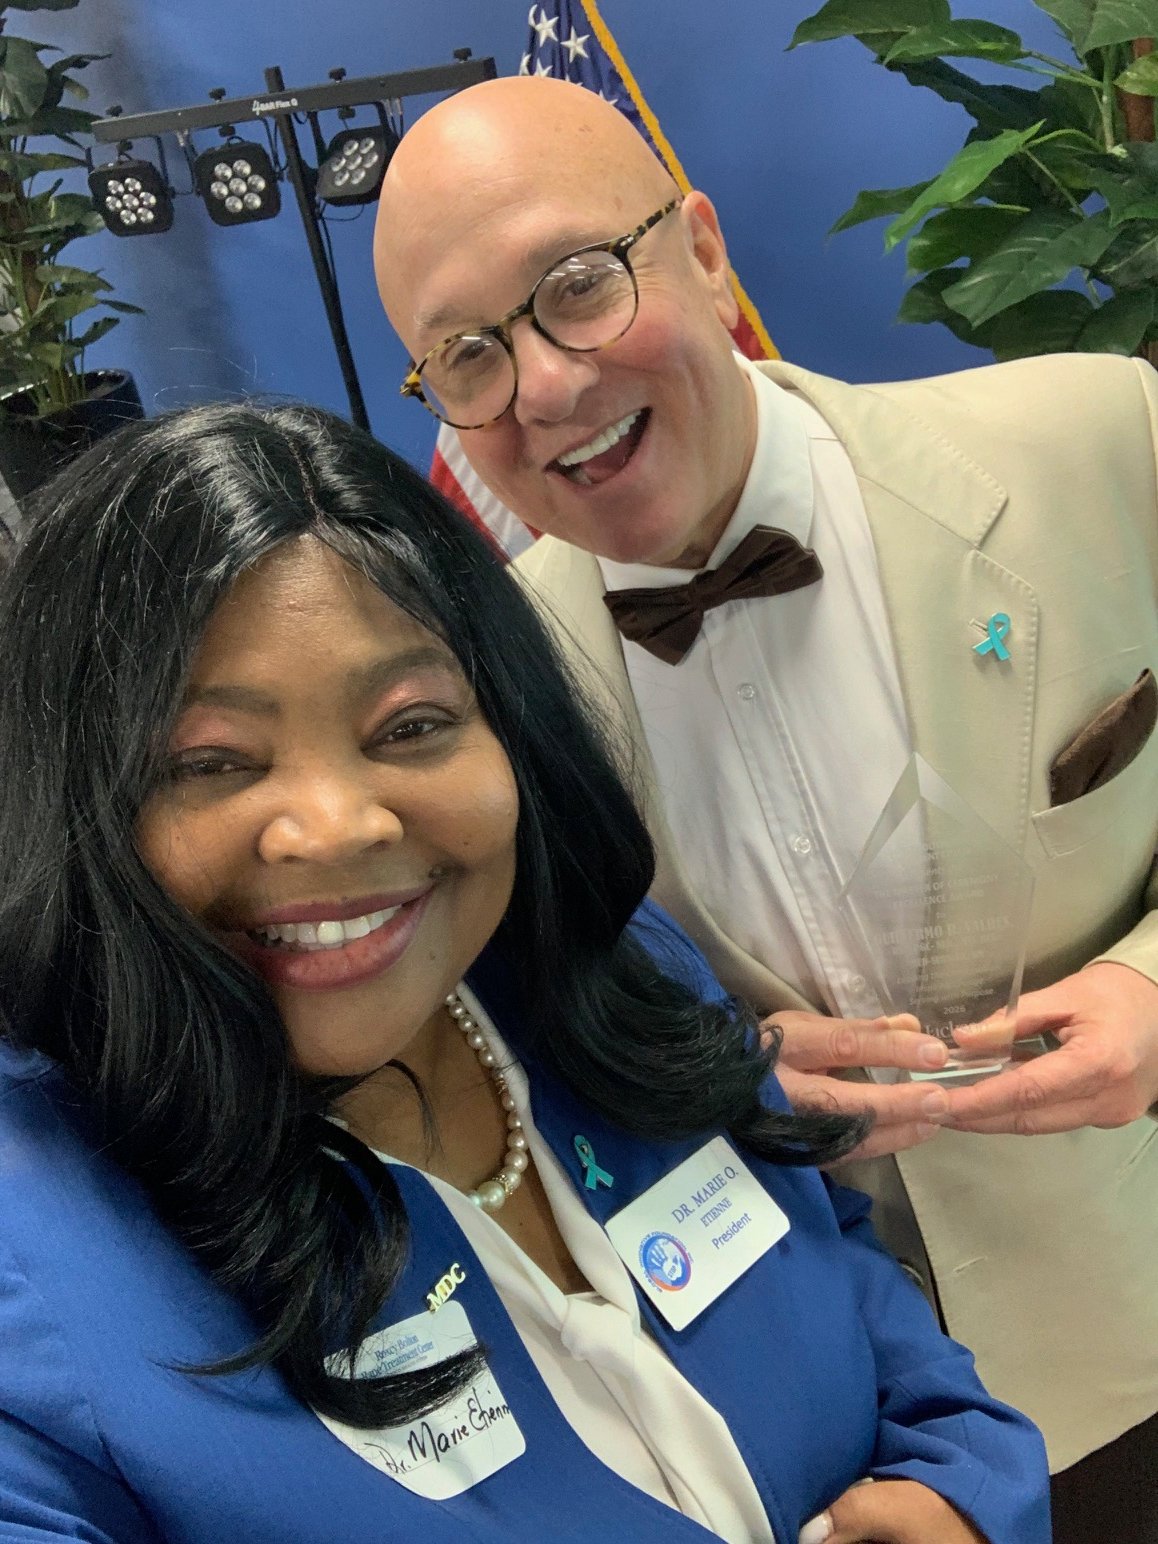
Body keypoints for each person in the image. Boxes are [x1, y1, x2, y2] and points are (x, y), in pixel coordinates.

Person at [0, 403, 1048, 1543]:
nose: (338, 824)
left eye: (409, 726)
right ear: (71, 804)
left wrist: (963, 1492)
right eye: (208, 760)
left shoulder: (606, 967)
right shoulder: (39, 1283)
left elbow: (835, 1258)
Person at [371, 73, 1158, 1539]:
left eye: (576, 287)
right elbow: (516, 1038)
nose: (541, 386)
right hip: (818, 1436)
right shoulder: (479, 700)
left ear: (706, 250)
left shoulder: (1104, 440)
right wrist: (709, 1065)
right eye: (467, 356)